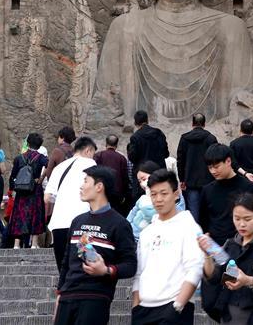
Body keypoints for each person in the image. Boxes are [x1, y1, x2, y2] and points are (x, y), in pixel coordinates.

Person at [55, 166, 138, 325]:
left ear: (99, 187)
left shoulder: (120, 224)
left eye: (86, 181)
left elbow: (130, 265)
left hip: (95, 298)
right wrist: (60, 294)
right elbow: (66, 262)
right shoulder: (77, 221)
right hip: (67, 296)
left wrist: (106, 270)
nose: (81, 186)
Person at [198, 193, 253, 324]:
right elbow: (214, 276)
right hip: (228, 313)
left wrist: (248, 281)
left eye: (247, 219)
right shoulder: (231, 243)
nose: (242, 224)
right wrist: (207, 255)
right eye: (237, 219)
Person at [131, 169, 205, 325]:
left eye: (164, 193)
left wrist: (177, 306)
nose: (158, 199)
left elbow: (195, 268)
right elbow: (139, 273)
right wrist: (135, 307)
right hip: (143, 311)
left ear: (176, 193)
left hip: (174, 309)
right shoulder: (147, 232)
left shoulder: (188, 226)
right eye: (154, 194)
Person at [46, 136, 98, 273]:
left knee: (64, 269)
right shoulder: (91, 164)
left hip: (58, 225)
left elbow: (47, 198)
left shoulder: (59, 168)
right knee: (85, 263)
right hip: (82, 226)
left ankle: (63, 292)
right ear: (88, 151)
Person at [198, 144, 253, 246]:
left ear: (228, 161)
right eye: (210, 167)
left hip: (242, 246)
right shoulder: (207, 190)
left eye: (216, 167)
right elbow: (203, 220)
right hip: (216, 250)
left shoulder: (249, 188)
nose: (213, 171)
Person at [127, 161, 187, 241]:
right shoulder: (143, 198)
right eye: (139, 181)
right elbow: (131, 215)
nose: (142, 184)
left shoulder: (177, 204)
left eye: (144, 179)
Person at [9, 132, 49, 248]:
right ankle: (34, 243)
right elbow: (50, 165)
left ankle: (16, 244)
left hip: (21, 190)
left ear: (27, 143)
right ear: (40, 145)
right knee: (35, 214)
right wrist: (41, 178)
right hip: (35, 189)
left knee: (19, 214)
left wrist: (12, 190)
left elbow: (13, 176)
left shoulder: (19, 158)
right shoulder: (41, 157)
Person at [177, 113, 217, 222]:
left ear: (192, 123)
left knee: (193, 214)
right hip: (208, 181)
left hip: (190, 181)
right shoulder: (211, 138)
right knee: (208, 212)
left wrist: (182, 179)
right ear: (204, 124)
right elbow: (215, 159)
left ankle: (195, 236)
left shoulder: (184, 138)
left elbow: (180, 161)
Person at [127, 111, 169, 187]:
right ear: (147, 120)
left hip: (142, 175)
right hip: (159, 173)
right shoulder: (159, 133)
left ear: (135, 122)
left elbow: (132, 157)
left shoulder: (135, 137)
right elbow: (166, 154)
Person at [94, 134, 131, 215]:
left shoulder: (98, 155)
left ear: (106, 144)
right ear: (116, 145)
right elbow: (125, 178)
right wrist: (124, 195)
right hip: (117, 194)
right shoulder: (122, 158)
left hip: (101, 192)